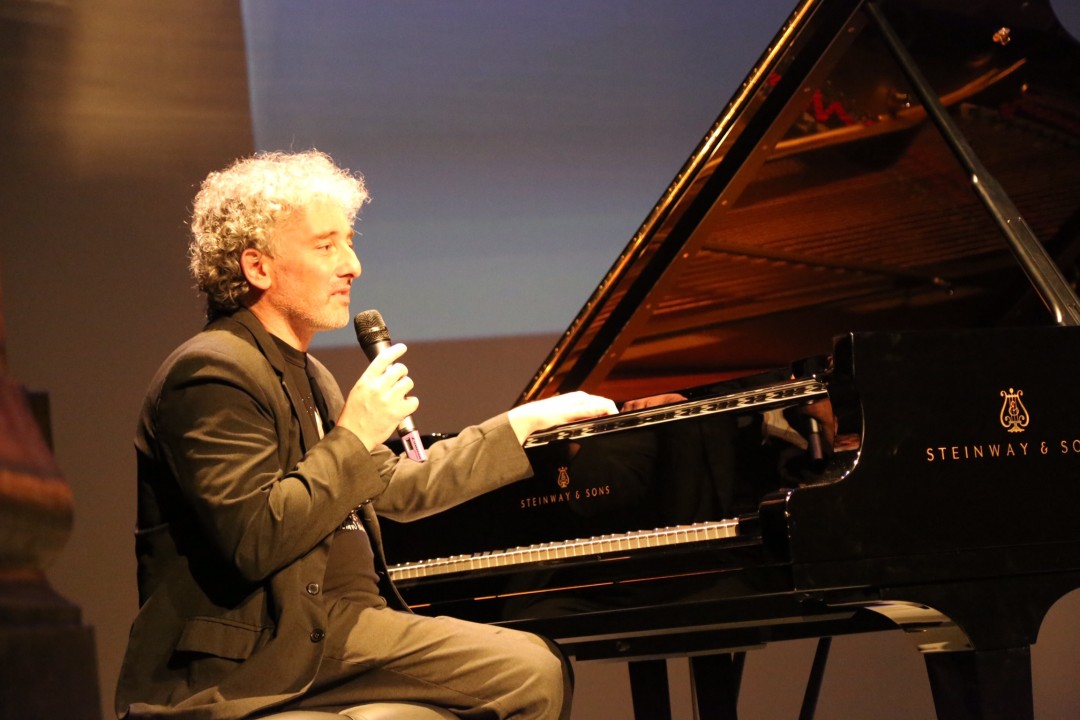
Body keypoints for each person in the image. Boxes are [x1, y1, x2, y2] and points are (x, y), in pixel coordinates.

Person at [115, 150, 618, 720]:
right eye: (325, 246)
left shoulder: (313, 376)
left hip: (345, 630)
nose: (352, 265)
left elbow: (401, 486)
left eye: (349, 243)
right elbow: (254, 539)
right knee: (530, 669)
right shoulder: (211, 372)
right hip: (265, 652)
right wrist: (354, 433)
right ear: (258, 268)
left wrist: (522, 424)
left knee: (507, 675)